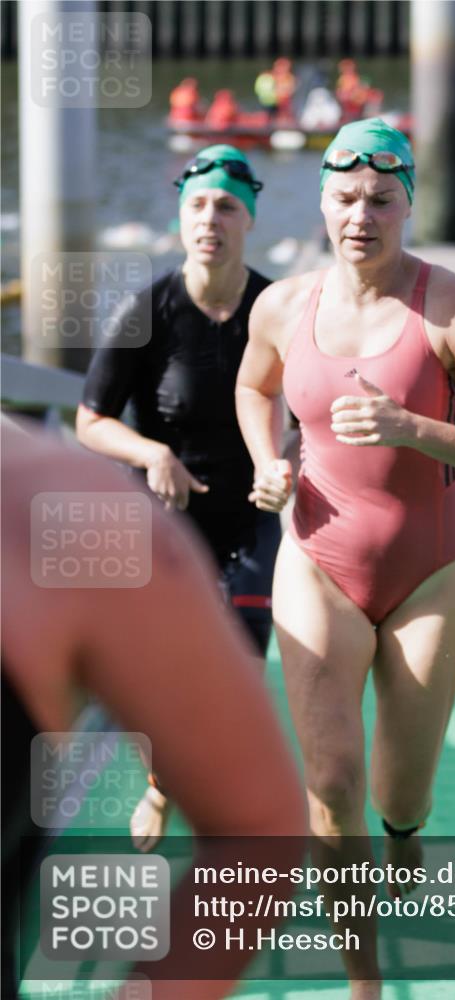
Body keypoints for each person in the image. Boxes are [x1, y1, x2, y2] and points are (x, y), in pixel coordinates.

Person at [236, 118, 455, 999]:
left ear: (407, 202)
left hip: (430, 578)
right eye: (342, 198)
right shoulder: (282, 306)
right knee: (330, 779)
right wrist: (267, 460)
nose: (359, 215)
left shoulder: (454, 309)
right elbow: (253, 385)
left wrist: (414, 428)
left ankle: (406, 834)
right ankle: (363, 977)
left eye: (379, 198)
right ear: (320, 202)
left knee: (397, 795)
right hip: (315, 561)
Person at [1, 418, 306, 1000]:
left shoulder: (62, 505)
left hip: (242, 541)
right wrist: (152, 452)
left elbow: (257, 829)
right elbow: (92, 416)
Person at [76, 144, 285, 850]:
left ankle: (211, 802)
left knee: (242, 667)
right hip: (164, 521)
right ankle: (161, 785)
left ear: (249, 219)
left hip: (254, 518)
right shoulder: (149, 309)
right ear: (179, 218)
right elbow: (90, 420)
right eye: (196, 205)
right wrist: (151, 451)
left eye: (226, 206)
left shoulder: (275, 307)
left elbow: (310, 408)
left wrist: (285, 460)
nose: (210, 219)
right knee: (161, 677)